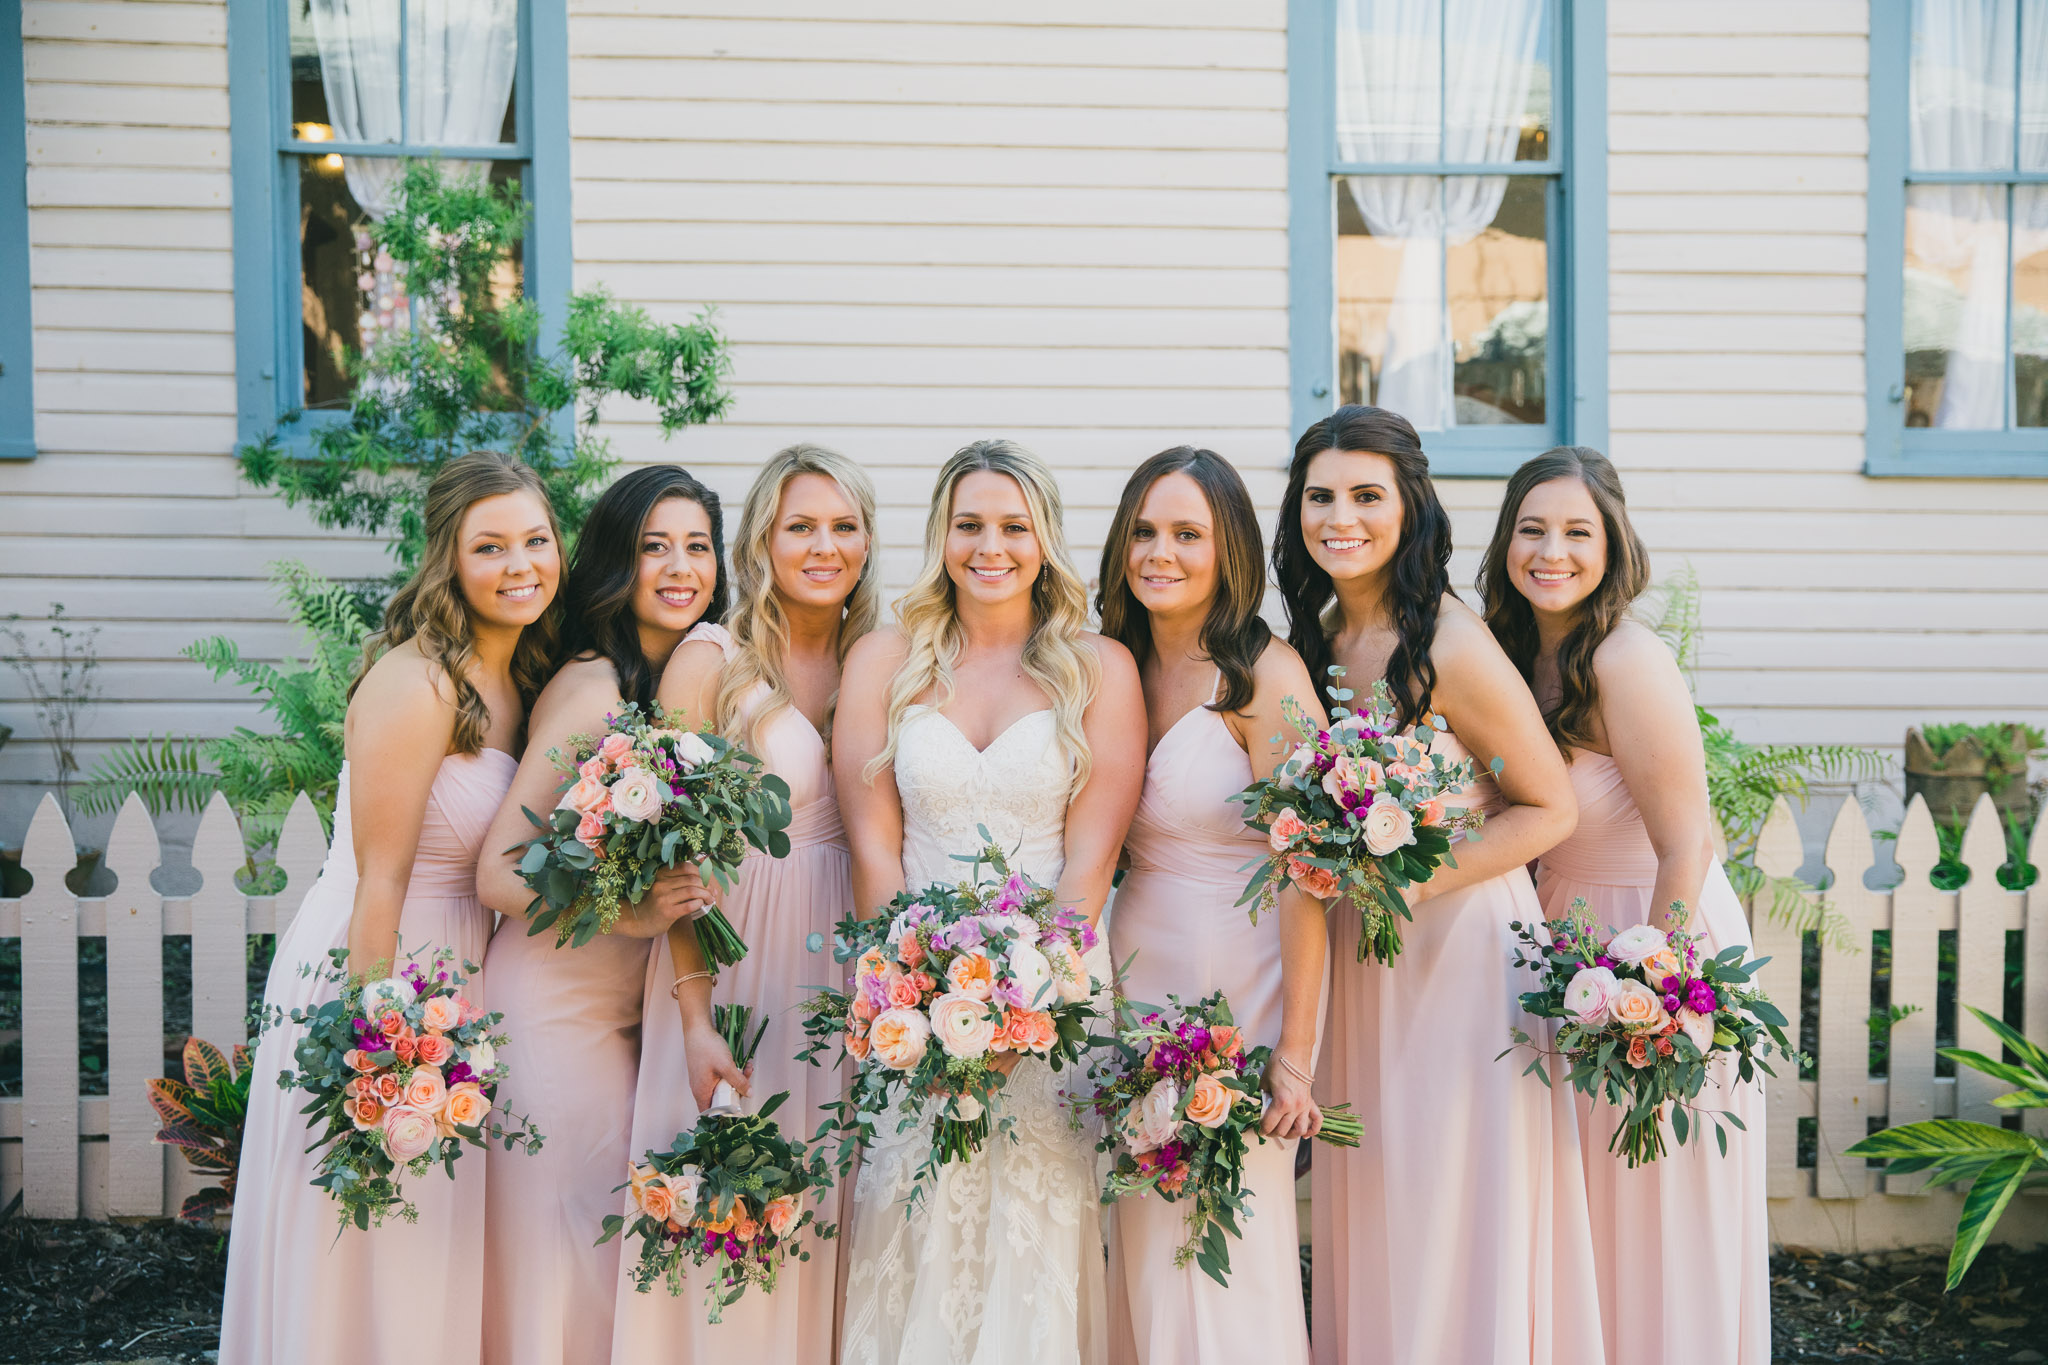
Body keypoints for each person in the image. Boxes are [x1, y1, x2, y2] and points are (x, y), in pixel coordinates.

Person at [1271, 406, 1604, 1365]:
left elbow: (1547, 807)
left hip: (1461, 957)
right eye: (1322, 495)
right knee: (1379, 1195)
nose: (1341, 517)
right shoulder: (1323, 637)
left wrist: (1406, 886)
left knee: (1455, 1200)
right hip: (1365, 964)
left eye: (1367, 496)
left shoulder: (1449, 643)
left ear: (1410, 508)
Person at [220, 451, 565, 1365]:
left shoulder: (525, 678)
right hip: (375, 960)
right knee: (366, 1226)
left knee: (426, 1242)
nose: (520, 563)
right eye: (490, 546)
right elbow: (380, 879)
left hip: (457, 969)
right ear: (447, 559)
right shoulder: (417, 684)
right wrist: (380, 1051)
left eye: (536, 539)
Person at [834, 438, 1145, 1365]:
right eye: (969, 524)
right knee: (914, 1215)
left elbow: (1093, 856)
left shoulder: (1100, 666)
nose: (990, 545)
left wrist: (1025, 991)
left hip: (1053, 988)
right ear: (942, 535)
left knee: (1032, 1233)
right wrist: (911, 984)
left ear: (1045, 537)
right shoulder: (885, 657)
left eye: (1014, 525)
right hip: (908, 988)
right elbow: (872, 839)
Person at [1480, 445, 1770, 1365]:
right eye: (1533, 529)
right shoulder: (1510, 655)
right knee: (1575, 1207)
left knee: (1653, 1204)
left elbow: (1690, 839)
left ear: (1614, 546)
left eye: (1577, 532)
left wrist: (1659, 984)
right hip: (1559, 945)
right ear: (1506, 541)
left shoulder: (1627, 658)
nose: (1551, 551)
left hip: (1652, 932)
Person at [611, 444, 878, 1362]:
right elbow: (666, 859)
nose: (823, 545)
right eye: (800, 524)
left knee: (830, 1213)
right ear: (763, 536)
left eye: (845, 526)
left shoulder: (883, 661)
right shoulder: (712, 659)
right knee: (725, 1223)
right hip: (735, 964)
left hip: (850, 976)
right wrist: (693, 1017)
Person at [475, 466, 725, 1365]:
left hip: (621, 1018)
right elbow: (499, 870)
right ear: (615, 562)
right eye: (654, 545)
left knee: (596, 1258)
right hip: (552, 1014)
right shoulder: (593, 689)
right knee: (560, 1265)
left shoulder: (674, 688)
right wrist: (630, 913)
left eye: (697, 545)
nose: (680, 566)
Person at [1096, 447, 1329, 1365]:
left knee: (1223, 1236)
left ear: (1229, 548)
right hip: (1127, 975)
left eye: (1188, 533)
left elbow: (1311, 875)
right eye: (1146, 531)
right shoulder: (1108, 663)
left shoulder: (1265, 678)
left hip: (1239, 986)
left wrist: (1298, 1057)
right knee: (1141, 1231)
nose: (1162, 552)